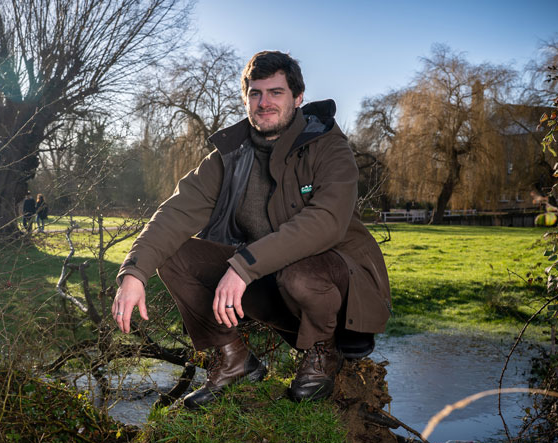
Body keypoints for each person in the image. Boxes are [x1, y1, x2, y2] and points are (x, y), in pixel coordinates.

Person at [112, 51, 391, 409]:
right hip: (270, 279)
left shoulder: (328, 145)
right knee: (175, 256)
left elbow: (326, 222)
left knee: (299, 275)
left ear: (298, 98)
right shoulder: (229, 156)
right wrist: (134, 273)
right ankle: (233, 360)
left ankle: (323, 352)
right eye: (255, 93)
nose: (264, 103)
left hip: (340, 283)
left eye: (275, 92)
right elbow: (176, 211)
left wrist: (243, 266)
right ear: (246, 98)